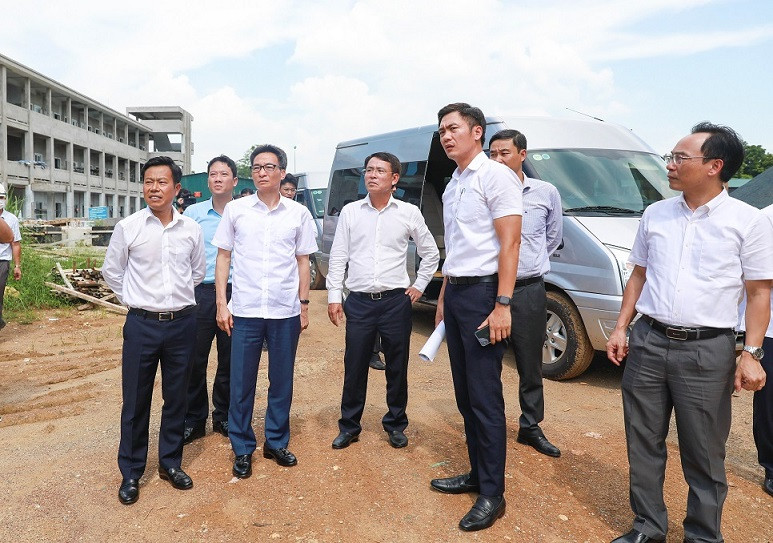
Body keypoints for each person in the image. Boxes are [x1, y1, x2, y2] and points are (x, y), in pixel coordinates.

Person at [606, 123, 773, 543]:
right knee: (643, 440)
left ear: (715, 166)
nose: (671, 164)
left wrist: (751, 353)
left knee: (704, 451)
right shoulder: (656, 214)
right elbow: (638, 275)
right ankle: (648, 526)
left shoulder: (748, 222)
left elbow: (758, 293)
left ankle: (702, 535)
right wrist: (621, 327)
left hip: (707, 350)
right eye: (672, 156)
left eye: (680, 157)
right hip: (648, 341)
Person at [429, 103, 522, 532]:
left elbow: (510, 243)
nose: (446, 136)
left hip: (486, 294)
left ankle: (492, 494)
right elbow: (457, 248)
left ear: (477, 131)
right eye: (442, 131)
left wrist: (502, 304)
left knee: (485, 398)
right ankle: (477, 473)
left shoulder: (496, 176)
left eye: (453, 128)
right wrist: (444, 296)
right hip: (458, 293)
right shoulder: (455, 182)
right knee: (465, 395)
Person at [102, 156, 206, 505]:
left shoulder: (190, 229)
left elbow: (196, 272)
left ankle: (170, 463)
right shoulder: (128, 227)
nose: (154, 188)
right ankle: (131, 472)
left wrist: (173, 301)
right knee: (135, 400)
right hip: (141, 325)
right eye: (148, 181)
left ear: (176, 188)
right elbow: (112, 271)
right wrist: (136, 301)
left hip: (182, 324)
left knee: (177, 397)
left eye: (162, 182)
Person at [212, 144, 317, 479]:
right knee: (241, 383)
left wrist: (303, 305)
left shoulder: (298, 213)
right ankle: (242, 447)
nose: (262, 172)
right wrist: (221, 304)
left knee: (281, 380)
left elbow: (303, 261)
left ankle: (276, 441)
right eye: (256, 167)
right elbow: (223, 257)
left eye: (269, 167)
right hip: (245, 309)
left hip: (284, 309)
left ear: (282, 173)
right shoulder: (237, 210)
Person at [327, 152, 439, 450]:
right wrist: (334, 296)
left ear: (394, 178)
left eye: (379, 170)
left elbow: (430, 253)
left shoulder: (408, 212)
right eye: (368, 170)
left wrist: (419, 286)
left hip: (395, 302)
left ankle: (396, 424)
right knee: (355, 365)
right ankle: (349, 426)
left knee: (396, 366)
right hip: (359, 302)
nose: (372, 175)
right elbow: (338, 256)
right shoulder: (351, 212)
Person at [489, 129, 563, 458]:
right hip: (488, 290)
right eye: (492, 154)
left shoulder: (545, 193)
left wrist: (528, 262)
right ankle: (489, 426)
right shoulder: (483, 191)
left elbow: (552, 237)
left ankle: (530, 426)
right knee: (487, 362)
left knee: (530, 362)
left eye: (504, 153)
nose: (497, 160)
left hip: (529, 289)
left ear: (522, 155)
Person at [182, 155, 239, 444]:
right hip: (199, 292)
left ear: (235, 181)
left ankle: (223, 416)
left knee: (230, 358)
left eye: (224, 174)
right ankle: (194, 419)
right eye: (213, 174)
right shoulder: (193, 213)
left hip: (235, 291)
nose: (217, 179)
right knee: (194, 359)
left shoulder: (244, 212)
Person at [0, 184, 22, 331]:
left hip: (2, 261)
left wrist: (17, 266)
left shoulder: (11, 219)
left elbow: (14, 242)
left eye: (1, 197)